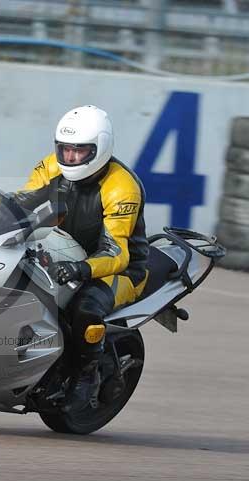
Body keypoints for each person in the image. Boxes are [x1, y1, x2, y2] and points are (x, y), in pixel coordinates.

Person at [13, 105, 149, 412]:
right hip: (63, 250)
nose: (70, 158)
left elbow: (117, 253)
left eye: (80, 151)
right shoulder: (52, 167)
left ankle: (85, 376)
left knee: (84, 307)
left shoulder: (121, 187)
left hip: (119, 269)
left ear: (100, 149)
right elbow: (21, 201)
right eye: (65, 150)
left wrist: (81, 268)